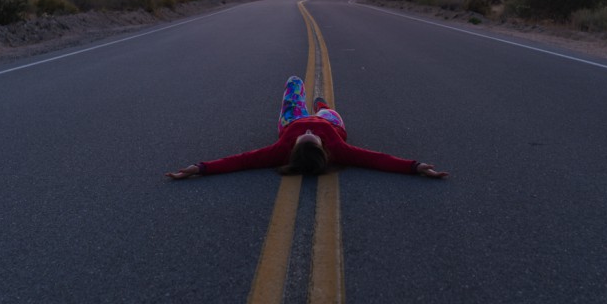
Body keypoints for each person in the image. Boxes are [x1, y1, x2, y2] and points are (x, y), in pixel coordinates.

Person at [167, 76, 448, 179]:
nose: (308, 134)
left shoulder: (281, 148)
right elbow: (376, 159)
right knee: (329, 112)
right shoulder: (337, 146)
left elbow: (240, 161)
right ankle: (322, 105)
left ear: (293, 149)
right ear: (324, 148)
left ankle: (310, 102)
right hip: (331, 123)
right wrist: (416, 166)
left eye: (305, 139)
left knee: (293, 81)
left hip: (291, 120)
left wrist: (200, 167)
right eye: (312, 139)